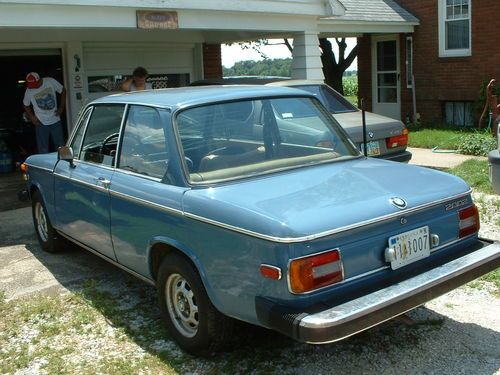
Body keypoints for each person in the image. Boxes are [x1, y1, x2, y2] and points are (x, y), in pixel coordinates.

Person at [23, 72, 66, 154]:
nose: (33, 87)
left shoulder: (50, 81)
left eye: (34, 85)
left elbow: (63, 90)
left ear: (39, 80)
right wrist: (32, 117)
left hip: (55, 119)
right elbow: (26, 105)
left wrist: (61, 107)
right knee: (43, 149)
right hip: (40, 122)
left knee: (60, 146)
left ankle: (62, 164)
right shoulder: (29, 90)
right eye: (31, 85)